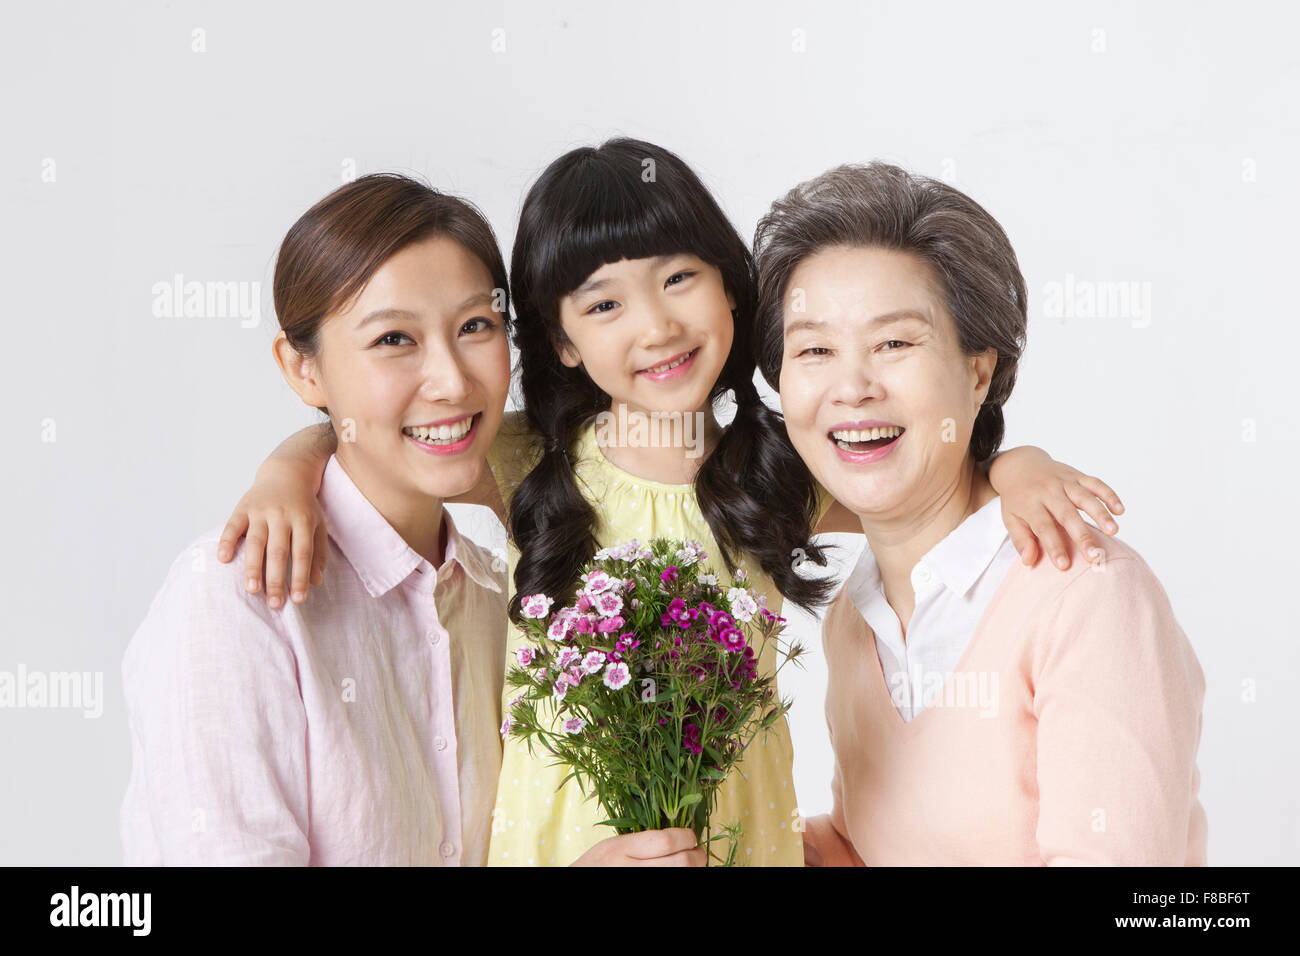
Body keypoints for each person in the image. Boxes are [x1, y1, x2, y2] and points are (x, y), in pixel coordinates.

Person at [220, 140, 1126, 866]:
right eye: (603, 303)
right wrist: (284, 470)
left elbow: (929, 480)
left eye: (679, 278)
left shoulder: (780, 467)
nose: (655, 325)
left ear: (732, 287)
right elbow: (389, 432)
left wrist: (1021, 464)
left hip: (733, 840)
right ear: (563, 345)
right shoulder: (534, 458)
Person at [753, 162, 1208, 865]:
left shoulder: (1085, 593)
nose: (851, 387)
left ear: (978, 371)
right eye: (814, 349)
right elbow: (860, 847)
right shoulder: (856, 617)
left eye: (895, 343)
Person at [121, 173, 514, 864]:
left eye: (476, 326)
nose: (453, 381)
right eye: (394, 339)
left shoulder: (502, 600)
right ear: (304, 370)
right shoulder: (236, 597)